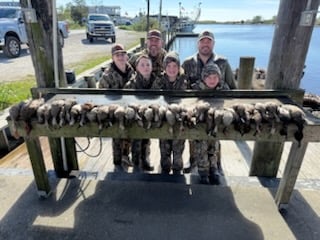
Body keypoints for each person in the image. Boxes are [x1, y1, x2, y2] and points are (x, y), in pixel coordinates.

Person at [182, 29, 237, 174]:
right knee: (193, 135)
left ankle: (216, 163)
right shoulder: (187, 63)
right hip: (195, 108)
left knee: (215, 136)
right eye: (202, 41)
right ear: (197, 43)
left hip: (217, 107)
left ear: (213, 44)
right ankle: (193, 159)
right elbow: (182, 87)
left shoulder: (223, 62)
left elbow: (232, 87)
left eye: (209, 41)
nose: (205, 44)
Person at [191, 63, 229, 184]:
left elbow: (230, 102)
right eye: (209, 77)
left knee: (214, 146)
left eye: (215, 77)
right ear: (203, 78)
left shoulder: (224, 89)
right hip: (201, 123)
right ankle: (203, 172)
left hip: (215, 123)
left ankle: (214, 169)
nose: (212, 80)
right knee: (200, 147)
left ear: (219, 78)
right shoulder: (195, 88)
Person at [98, 43, 135, 169]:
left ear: (126, 56)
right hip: (114, 111)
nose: (121, 57)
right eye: (117, 55)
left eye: (123, 54)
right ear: (113, 57)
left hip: (129, 109)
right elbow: (101, 97)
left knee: (130, 135)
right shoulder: (107, 76)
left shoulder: (131, 70)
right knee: (117, 138)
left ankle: (126, 155)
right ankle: (117, 164)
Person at [152, 51, 188, 174]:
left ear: (179, 67)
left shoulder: (185, 80)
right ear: (164, 67)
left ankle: (177, 169)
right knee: (164, 148)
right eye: (169, 66)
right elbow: (153, 98)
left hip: (179, 121)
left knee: (178, 149)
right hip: (163, 120)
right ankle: (165, 168)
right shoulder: (159, 80)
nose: (172, 69)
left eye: (175, 66)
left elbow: (190, 100)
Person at [124, 54, 161, 171]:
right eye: (142, 65)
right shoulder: (131, 84)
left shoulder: (158, 82)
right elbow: (125, 102)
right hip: (136, 118)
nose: (145, 67)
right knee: (136, 142)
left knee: (146, 141)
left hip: (150, 116)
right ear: (137, 68)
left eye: (148, 65)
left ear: (151, 67)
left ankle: (145, 160)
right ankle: (136, 164)